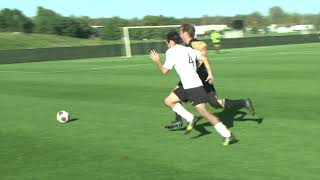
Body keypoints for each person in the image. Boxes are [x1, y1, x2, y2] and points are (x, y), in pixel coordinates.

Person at [149, 31, 236, 146]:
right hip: (187, 85)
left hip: (194, 87)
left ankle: (228, 135)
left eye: (167, 43)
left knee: (205, 113)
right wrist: (210, 74)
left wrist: (158, 61)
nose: (167, 45)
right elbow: (204, 58)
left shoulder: (171, 51)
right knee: (168, 101)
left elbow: (164, 71)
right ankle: (191, 118)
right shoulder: (188, 49)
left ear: (170, 41)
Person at [165, 24, 255, 129]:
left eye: (180, 32)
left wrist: (200, 60)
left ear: (185, 32)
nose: (179, 34)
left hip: (199, 78)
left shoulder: (194, 42)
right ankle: (244, 102)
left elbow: (203, 48)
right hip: (198, 78)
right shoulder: (184, 47)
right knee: (214, 103)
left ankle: (179, 120)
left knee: (174, 93)